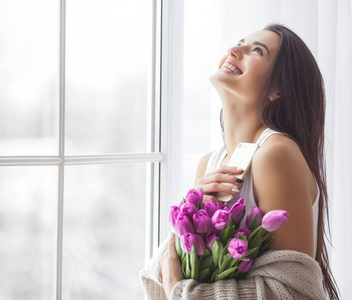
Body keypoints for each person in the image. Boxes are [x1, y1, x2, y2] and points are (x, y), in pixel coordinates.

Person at [141, 23, 341, 300]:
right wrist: (189, 215)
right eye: (239, 43)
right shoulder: (210, 163)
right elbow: (166, 268)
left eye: (256, 51)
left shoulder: (275, 154)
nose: (233, 50)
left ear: (278, 88)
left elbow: (295, 293)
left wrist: (180, 290)